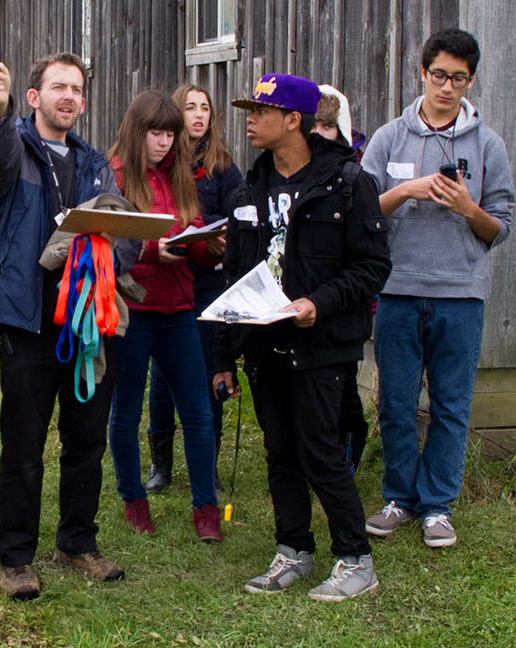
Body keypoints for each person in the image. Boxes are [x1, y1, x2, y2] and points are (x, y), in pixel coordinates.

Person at [213, 73, 390, 601]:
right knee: (280, 451)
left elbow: (373, 266)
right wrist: (224, 356)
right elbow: (235, 279)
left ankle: (356, 559)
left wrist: (320, 302)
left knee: (320, 451)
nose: (249, 118)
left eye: (261, 111)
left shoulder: (348, 183)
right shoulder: (249, 189)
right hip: (265, 348)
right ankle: (293, 549)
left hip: (322, 345)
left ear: (294, 119)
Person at [0, 53, 141, 600]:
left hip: (88, 321)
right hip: (27, 323)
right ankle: (16, 557)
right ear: (34, 97)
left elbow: (127, 233)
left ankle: (77, 541)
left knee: (87, 438)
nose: (68, 97)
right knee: (23, 443)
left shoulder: (96, 164)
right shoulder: (16, 150)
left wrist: (112, 254)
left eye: (76, 89)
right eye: (57, 87)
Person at [360, 28, 515, 549]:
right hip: (398, 290)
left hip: (461, 293)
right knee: (397, 403)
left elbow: (502, 226)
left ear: (470, 82)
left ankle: (437, 507)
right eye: (440, 75)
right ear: (421, 73)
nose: (448, 87)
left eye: (460, 78)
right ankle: (399, 498)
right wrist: (405, 190)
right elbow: (360, 213)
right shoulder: (388, 138)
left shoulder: (486, 143)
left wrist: (468, 209)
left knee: (451, 404)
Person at [104, 89, 223, 542]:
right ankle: (134, 499)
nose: (165, 143)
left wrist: (209, 249)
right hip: (133, 309)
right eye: (156, 133)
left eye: (170, 135)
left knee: (196, 409)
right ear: (137, 132)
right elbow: (110, 244)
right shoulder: (113, 176)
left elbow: (190, 238)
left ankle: (206, 508)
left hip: (180, 307)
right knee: (127, 407)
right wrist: (156, 250)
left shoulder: (179, 177)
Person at [142, 84, 243, 493]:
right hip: (166, 279)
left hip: (208, 284)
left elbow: (240, 209)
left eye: (205, 108)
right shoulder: (163, 160)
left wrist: (222, 236)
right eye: (190, 107)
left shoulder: (222, 163)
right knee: (163, 377)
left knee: (209, 372)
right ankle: (161, 465)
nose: (199, 115)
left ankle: (209, 466)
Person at [312, 86, 372, 476]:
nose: (319, 133)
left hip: (344, 307)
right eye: (313, 124)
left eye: (328, 126)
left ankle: (348, 457)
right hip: (304, 301)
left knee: (346, 393)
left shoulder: (355, 178)